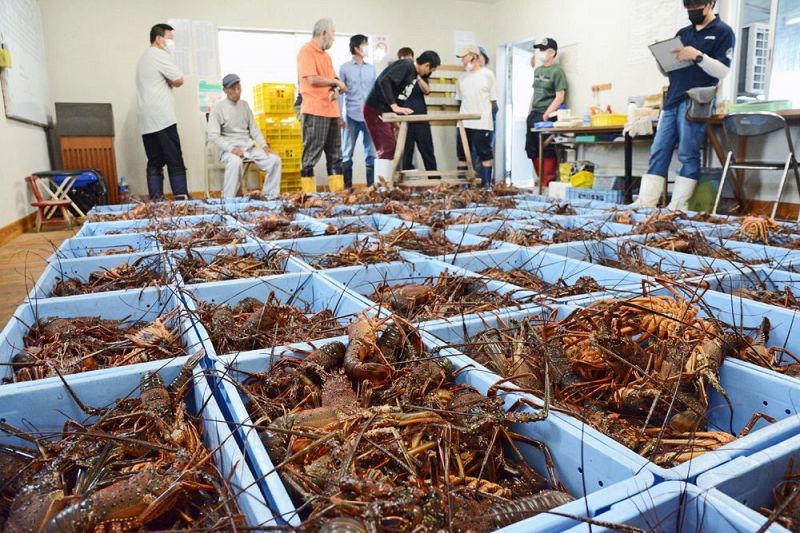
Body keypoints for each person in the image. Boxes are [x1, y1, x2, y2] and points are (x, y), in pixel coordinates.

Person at [633, 0, 734, 210]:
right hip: (672, 100)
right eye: (688, 7)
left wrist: (698, 56)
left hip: (696, 101)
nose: (692, 11)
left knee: (688, 153)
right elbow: (672, 70)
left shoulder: (723, 31)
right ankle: (645, 203)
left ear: (710, 4)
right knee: (659, 149)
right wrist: (662, 61)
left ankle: (678, 207)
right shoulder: (683, 33)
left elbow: (723, 71)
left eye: (696, 6)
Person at [364, 51, 441, 183]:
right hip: (375, 109)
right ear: (427, 65)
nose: (429, 73)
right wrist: (394, 107)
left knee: (393, 148)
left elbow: (399, 94)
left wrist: (395, 117)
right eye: (431, 70)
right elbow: (385, 81)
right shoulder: (406, 65)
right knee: (388, 148)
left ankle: (388, 185)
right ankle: (383, 187)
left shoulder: (413, 74)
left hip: (385, 112)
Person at [136, 23, 189, 201]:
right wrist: (171, 81)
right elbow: (179, 80)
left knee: (155, 162)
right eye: (170, 39)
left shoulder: (144, 58)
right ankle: (182, 200)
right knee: (174, 159)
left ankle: (156, 203)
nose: (171, 44)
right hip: (162, 118)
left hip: (146, 121)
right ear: (159, 39)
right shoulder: (159, 54)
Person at [208, 74, 282, 197]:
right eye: (233, 89)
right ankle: (228, 200)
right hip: (229, 150)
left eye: (239, 88)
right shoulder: (218, 108)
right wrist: (232, 149)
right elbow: (213, 135)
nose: (237, 92)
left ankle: (270, 196)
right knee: (235, 162)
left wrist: (264, 146)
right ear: (225, 90)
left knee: (274, 160)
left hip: (249, 148)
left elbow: (254, 128)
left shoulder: (244, 105)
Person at [298, 18, 346, 187]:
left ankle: (338, 197)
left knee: (336, 156)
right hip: (315, 111)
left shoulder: (326, 56)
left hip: (332, 111)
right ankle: (308, 198)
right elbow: (312, 79)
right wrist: (336, 84)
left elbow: (333, 79)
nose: (334, 38)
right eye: (333, 34)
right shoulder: (306, 51)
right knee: (311, 155)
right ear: (323, 33)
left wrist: (336, 89)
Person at [524, 38, 567, 187]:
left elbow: (560, 95)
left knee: (547, 148)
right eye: (539, 50)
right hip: (534, 113)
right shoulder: (538, 70)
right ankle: (540, 179)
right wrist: (529, 112)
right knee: (532, 148)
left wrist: (548, 112)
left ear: (552, 53)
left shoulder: (557, 71)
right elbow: (535, 92)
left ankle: (546, 182)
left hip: (547, 115)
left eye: (543, 50)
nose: (540, 53)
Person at [456, 44, 497, 189]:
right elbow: (461, 99)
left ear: (473, 56)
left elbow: (493, 101)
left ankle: (486, 186)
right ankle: (463, 186)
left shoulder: (488, 74)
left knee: (485, 153)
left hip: (482, 122)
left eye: (464, 57)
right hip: (463, 122)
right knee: (462, 154)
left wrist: (484, 114)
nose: (462, 61)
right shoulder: (462, 77)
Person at [339, 34, 377, 187]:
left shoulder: (371, 69)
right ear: (356, 48)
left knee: (371, 154)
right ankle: (347, 188)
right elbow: (339, 94)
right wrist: (339, 116)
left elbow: (375, 93)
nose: (367, 47)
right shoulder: (344, 68)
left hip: (369, 117)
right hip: (351, 116)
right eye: (365, 44)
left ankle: (371, 188)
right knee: (347, 153)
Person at [399, 47, 438, 177]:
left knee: (427, 152)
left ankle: (435, 181)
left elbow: (427, 90)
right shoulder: (399, 73)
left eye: (409, 58)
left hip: (421, 117)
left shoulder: (422, 73)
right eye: (404, 60)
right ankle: (406, 185)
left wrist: (418, 77)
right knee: (406, 154)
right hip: (405, 119)